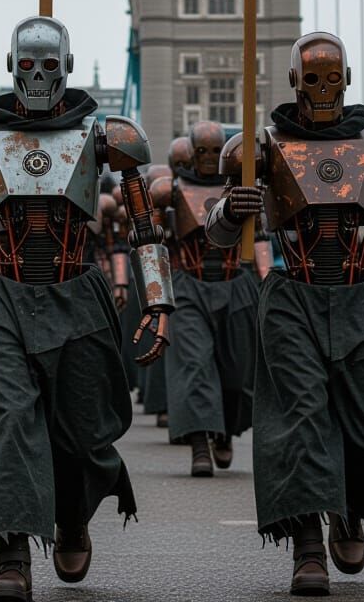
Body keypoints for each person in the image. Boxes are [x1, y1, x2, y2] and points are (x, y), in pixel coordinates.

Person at [0, 16, 172, 602]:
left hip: (76, 289)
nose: (39, 76)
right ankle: (13, 551)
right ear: (10, 66)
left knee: (77, 428)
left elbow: (144, 229)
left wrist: (159, 300)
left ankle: (71, 516)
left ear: (68, 67)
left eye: (50, 65)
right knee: (4, 418)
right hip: (1, 290)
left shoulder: (110, 137)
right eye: (28, 65)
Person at [206, 32, 364, 598]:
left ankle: (348, 507)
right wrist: (230, 209)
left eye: (332, 76)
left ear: (347, 78)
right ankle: (307, 544)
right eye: (313, 77)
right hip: (292, 292)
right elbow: (221, 235)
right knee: (301, 419)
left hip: (358, 294)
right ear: (296, 80)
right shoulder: (258, 148)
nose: (323, 88)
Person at [150, 121, 258, 478]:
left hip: (234, 282)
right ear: (190, 153)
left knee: (236, 370)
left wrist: (269, 282)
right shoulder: (171, 190)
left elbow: (260, 239)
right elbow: (151, 245)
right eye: (202, 151)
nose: (209, 158)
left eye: (216, 150)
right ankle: (199, 444)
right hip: (189, 283)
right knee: (194, 366)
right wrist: (156, 298)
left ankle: (224, 431)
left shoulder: (241, 187)